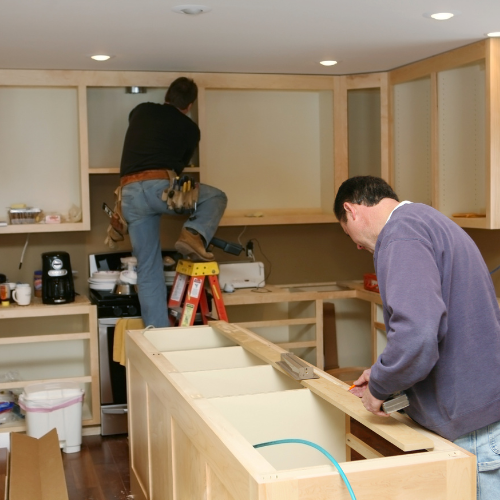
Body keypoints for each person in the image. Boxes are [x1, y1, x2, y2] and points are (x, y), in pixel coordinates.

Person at [334, 175, 500, 500]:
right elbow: (435, 329)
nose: (355, 244)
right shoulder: (428, 220)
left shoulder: (400, 236)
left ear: (351, 210)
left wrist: (380, 387)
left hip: (472, 431)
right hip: (483, 415)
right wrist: (383, 371)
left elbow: (418, 334)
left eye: (348, 234)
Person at [120, 77, 227, 328]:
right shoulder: (190, 129)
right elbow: (176, 171)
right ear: (189, 105)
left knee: (148, 270)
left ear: (166, 96)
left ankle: (158, 333)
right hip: (158, 188)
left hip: (128, 195)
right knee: (216, 196)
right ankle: (193, 234)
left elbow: (136, 127)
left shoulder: (142, 110)